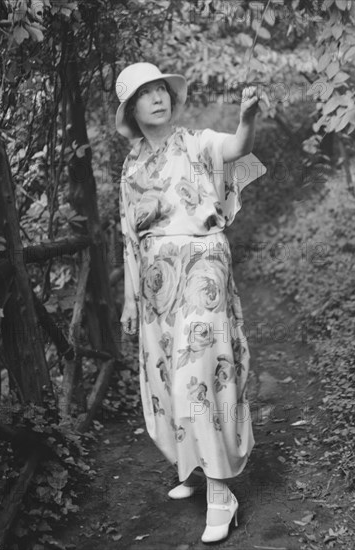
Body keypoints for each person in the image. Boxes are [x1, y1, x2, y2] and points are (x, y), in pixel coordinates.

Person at [115, 62, 266, 544]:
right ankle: (196, 463)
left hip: (203, 263)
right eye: (146, 93)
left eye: (162, 89)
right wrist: (130, 301)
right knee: (168, 375)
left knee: (199, 371)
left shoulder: (195, 141)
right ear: (132, 110)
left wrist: (248, 118)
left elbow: (236, 148)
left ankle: (222, 493)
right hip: (157, 282)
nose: (158, 97)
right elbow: (128, 240)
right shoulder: (132, 166)